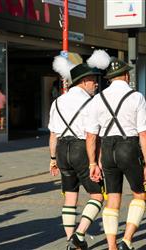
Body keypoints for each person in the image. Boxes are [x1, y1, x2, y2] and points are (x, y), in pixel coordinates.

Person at [86, 57, 146, 250]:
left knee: (112, 198)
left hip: (107, 149)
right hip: (129, 147)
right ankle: (127, 240)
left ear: (110, 78)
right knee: (140, 195)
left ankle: (112, 246)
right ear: (125, 75)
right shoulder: (136, 97)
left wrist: (93, 163)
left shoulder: (98, 99)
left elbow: (91, 136)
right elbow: (145, 133)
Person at [48, 62, 104, 250]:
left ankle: (70, 240)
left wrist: (53, 159)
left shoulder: (57, 101)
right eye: (94, 80)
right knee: (97, 195)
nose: (96, 84)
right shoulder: (92, 102)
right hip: (82, 149)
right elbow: (93, 135)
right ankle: (79, 235)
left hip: (62, 149)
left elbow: (53, 134)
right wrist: (95, 161)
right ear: (84, 81)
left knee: (70, 197)